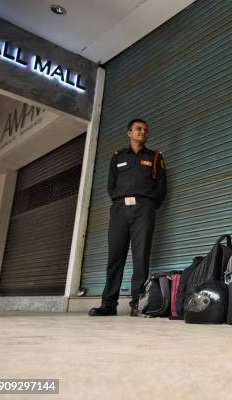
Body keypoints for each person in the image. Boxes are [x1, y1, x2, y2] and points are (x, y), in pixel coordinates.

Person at [89, 119, 167, 316]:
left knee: (141, 256)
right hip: (120, 210)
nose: (143, 132)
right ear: (129, 132)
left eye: (146, 130)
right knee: (115, 256)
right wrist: (119, 201)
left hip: (144, 209)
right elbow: (111, 185)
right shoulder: (117, 157)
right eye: (139, 129)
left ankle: (137, 304)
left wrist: (150, 204)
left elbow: (161, 187)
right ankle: (108, 304)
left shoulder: (155, 157)